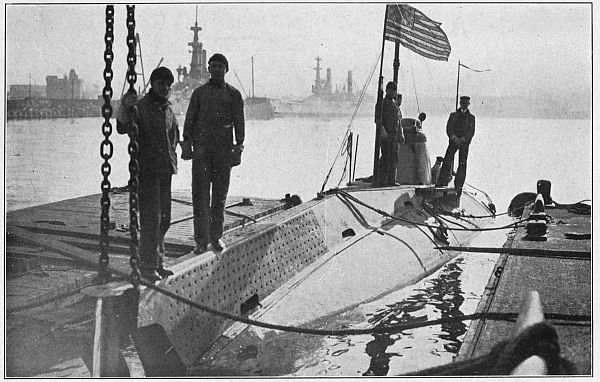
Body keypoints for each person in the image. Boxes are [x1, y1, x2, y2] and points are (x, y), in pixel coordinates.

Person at [116, 67, 179, 282]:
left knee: (165, 219)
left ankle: (158, 261)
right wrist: (124, 106)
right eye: (161, 83)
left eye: (168, 84)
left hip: (165, 170)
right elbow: (122, 128)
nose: (165, 87)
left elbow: (174, 137)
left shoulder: (168, 110)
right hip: (148, 170)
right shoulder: (140, 107)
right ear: (152, 83)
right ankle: (149, 266)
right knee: (151, 220)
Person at [181, 53, 245, 254]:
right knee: (200, 195)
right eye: (213, 66)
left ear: (226, 69)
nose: (217, 69)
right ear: (209, 69)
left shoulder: (234, 95)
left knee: (219, 197)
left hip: (223, 152)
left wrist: (239, 147)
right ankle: (201, 240)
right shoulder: (199, 93)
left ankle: (216, 237)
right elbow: (190, 119)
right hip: (202, 152)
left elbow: (239, 123)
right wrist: (186, 144)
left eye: (220, 66)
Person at [435, 96, 475, 190]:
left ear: (468, 104)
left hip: (464, 143)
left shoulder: (471, 118)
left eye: (466, 103)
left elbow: (471, 131)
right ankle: (442, 181)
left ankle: (459, 184)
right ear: (460, 103)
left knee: (462, 163)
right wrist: (453, 137)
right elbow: (449, 128)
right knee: (447, 160)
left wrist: (463, 139)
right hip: (453, 141)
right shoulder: (453, 115)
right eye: (462, 103)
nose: (464, 105)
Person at [375, 81, 401, 186]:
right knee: (386, 157)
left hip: (394, 135)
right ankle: (383, 181)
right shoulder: (382, 103)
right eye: (390, 91)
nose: (392, 93)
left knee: (394, 158)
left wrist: (400, 133)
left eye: (394, 91)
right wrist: (382, 130)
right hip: (386, 134)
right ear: (387, 91)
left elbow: (398, 120)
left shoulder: (394, 104)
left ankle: (391, 181)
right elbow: (378, 118)